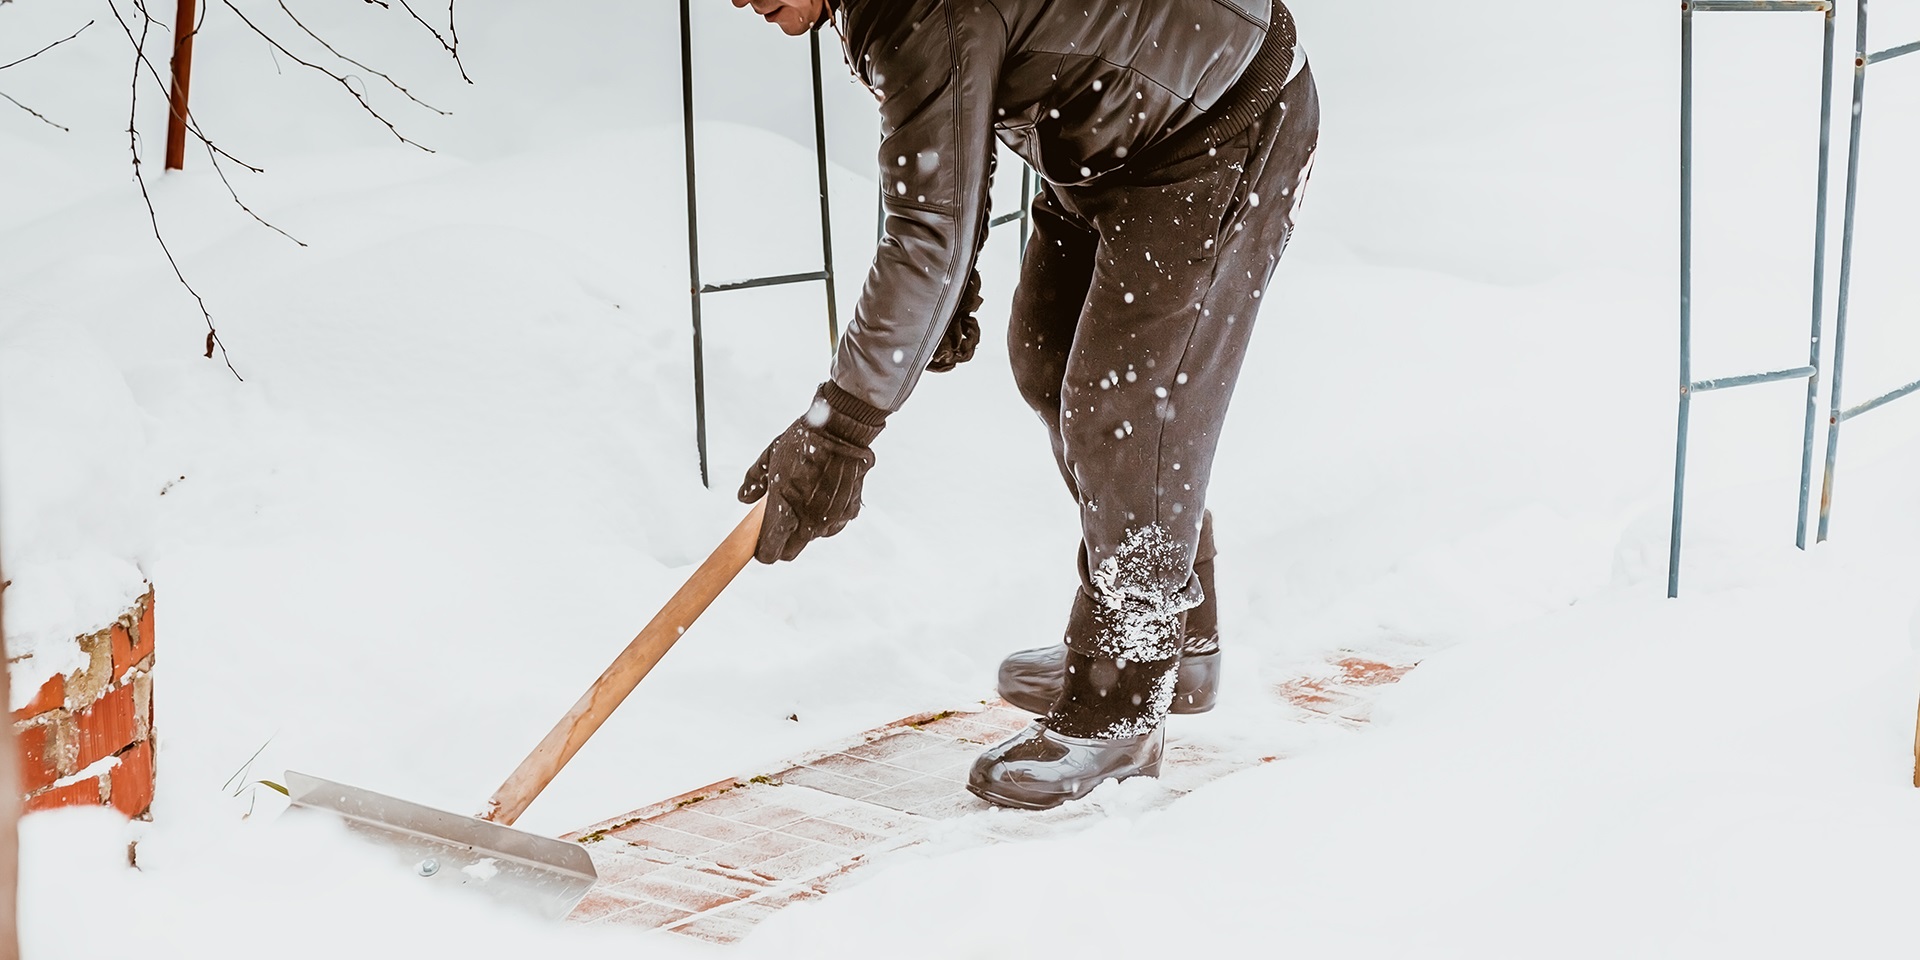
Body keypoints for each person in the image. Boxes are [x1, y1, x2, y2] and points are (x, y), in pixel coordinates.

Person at [730, 0, 1318, 810]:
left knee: (1126, 414)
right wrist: (954, 270)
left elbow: (923, 225)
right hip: (1106, 126)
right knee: (1047, 358)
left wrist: (842, 430)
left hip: (1215, 120)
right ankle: (1182, 638)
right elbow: (961, 110)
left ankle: (1123, 694)